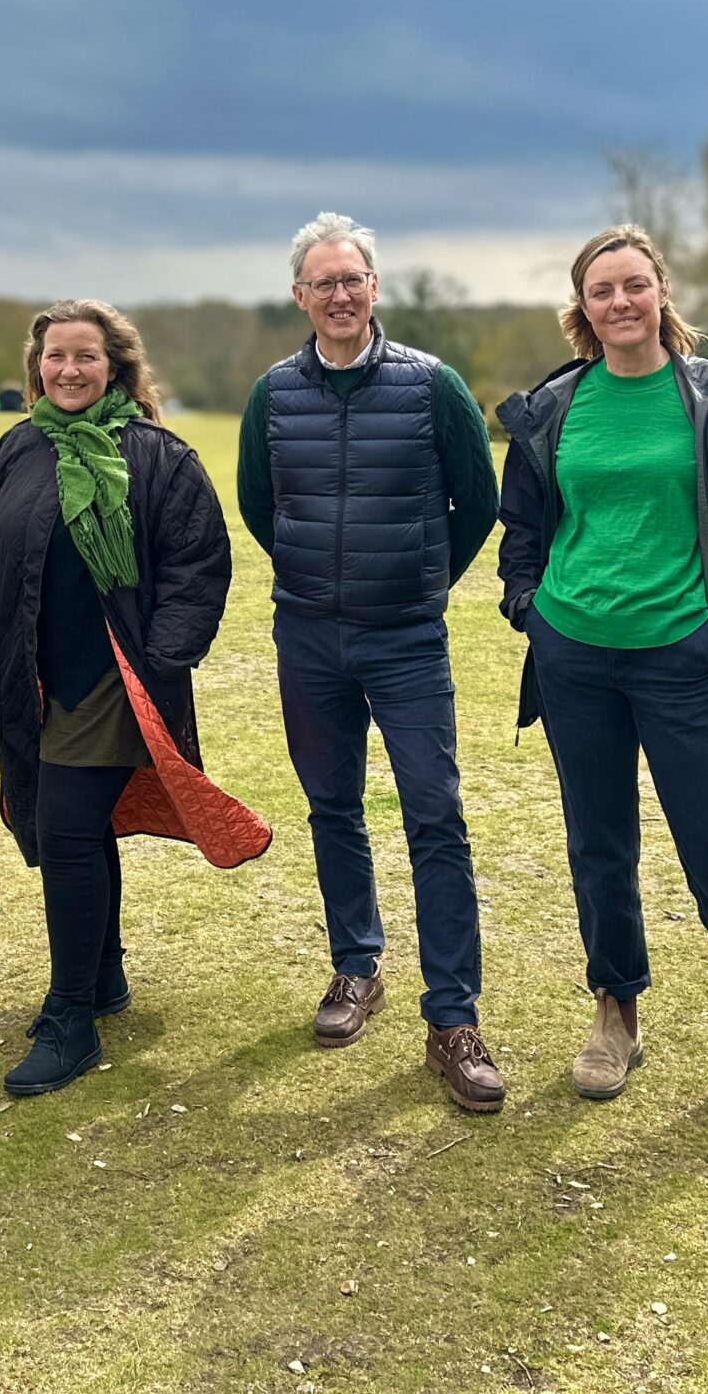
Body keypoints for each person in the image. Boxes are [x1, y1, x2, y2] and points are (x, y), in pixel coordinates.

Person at [493, 223, 708, 1123]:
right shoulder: (555, 409)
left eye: (635, 285)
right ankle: (615, 1011)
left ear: (661, 292)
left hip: (684, 660)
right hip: (574, 658)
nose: (621, 303)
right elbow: (521, 529)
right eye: (603, 291)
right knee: (599, 847)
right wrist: (534, 611)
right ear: (582, 310)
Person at [0, 299, 262, 1098]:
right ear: (36, 367)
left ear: (115, 366)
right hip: (33, 680)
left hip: (118, 681)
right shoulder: (12, 455)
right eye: (55, 357)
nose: (70, 370)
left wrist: (163, 657)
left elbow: (198, 562)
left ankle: (72, 1016)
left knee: (69, 829)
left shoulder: (158, 457)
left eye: (86, 356)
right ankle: (106, 971)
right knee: (65, 826)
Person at [235, 213, 508, 1112]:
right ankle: (356, 968)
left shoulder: (434, 386)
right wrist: (317, 576)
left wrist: (423, 581)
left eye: (353, 280)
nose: (340, 296)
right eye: (324, 283)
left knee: (436, 814)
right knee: (332, 807)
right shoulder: (273, 395)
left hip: (406, 640)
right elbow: (257, 504)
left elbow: (479, 501)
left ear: (374, 288)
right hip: (309, 636)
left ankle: (454, 1020)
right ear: (300, 297)